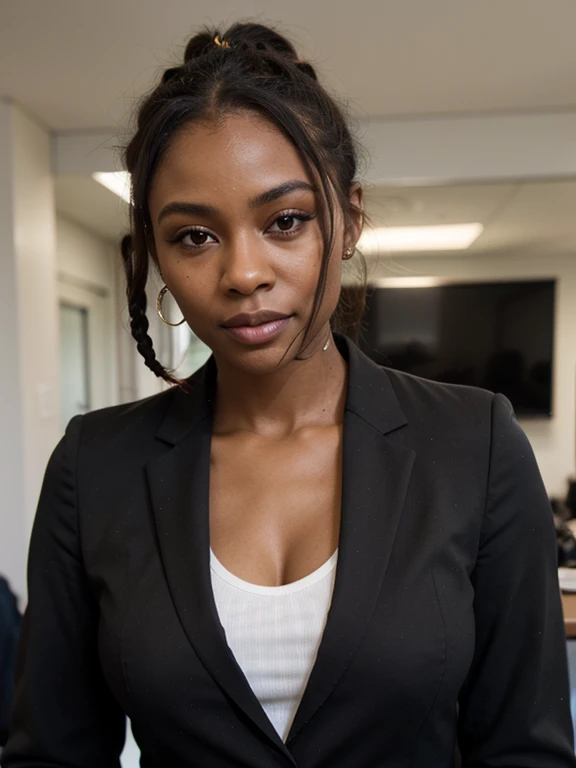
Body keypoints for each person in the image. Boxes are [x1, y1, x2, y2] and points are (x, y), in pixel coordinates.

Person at [2, 21, 575, 768]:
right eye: (195, 236)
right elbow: (52, 753)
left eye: (285, 221)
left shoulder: (476, 444)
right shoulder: (94, 468)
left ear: (350, 220)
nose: (243, 272)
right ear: (156, 255)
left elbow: (523, 750)